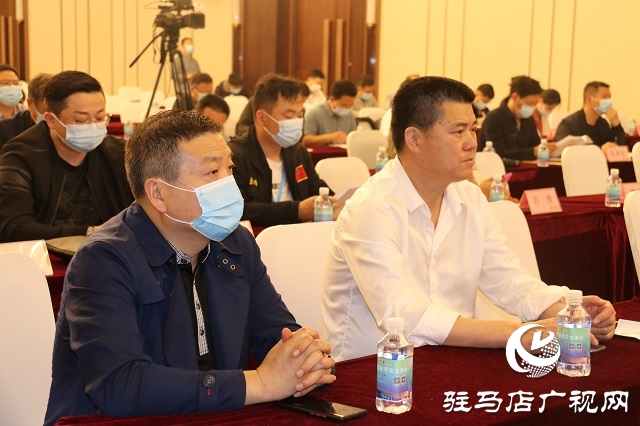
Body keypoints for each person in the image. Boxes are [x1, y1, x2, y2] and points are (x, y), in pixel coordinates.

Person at [44, 110, 335, 425]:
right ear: (158, 194)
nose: (229, 184)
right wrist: (260, 383)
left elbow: (276, 335)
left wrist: (304, 356)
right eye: (212, 172)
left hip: (216, 415)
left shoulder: (235, 243)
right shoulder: (103, 260)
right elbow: (120, 384)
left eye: (230, 168)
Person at [321, 76, 616, 361]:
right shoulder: (371, 208)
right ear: (414, 139)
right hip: (376, 371)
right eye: (458, 131)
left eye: (473, 129)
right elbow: (402, 315)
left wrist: (568, 313)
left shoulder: (470, 198)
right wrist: (520, 333)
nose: (472, 143)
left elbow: (509, 281)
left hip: (453, 360)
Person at [0, 70, 133, 243]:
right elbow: (13, 228)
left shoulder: (118, 153)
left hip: (110, 252)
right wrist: (89, 232)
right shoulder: (21, 156)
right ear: (51, 120)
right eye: (80, 121)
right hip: (45, 255)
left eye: (100, 117)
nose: (93, 127)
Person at [229, 73, 337, 226]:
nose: (297, 122)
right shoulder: (235, 156)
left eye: (300, 115)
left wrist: (333, 200)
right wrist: (296, 210)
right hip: (257, 238)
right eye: (289, 115)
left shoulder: (298, 153)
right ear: (262, 118)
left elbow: (317, 188)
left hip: (299, 235)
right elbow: (239, 209)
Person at [478, 76, 556, 160]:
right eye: (530, 104)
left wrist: (544, 149)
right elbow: (499, 152)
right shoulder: (494, 118)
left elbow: (535, 145)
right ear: (515, 97)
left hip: (525, 166)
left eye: (535, 104)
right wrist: (532, 152)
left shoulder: (528, 118)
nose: (532, 108)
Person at [554, 81, 626, 151]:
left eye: (609, 97)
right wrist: (600, 149)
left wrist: (616, 125)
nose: (608, 102)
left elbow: (619, 147)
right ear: (589, 99)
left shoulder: (603, 124)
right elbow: (561, 151)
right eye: (604, 97)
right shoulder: (568, 124)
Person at [0, 73, 52, 148]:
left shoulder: (64, 124)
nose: (52, 116)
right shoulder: (5, 130)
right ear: (30, 104)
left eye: (55, 112)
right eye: (45, 110)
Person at [301, 79, 357, 147]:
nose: (347, 108)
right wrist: (331, 137)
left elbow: (354, 137)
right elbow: (305, 140)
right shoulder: (314, 113)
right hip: (321, 152)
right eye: (344, 105)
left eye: (350, 105)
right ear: (332, 99)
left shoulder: (349, 114)